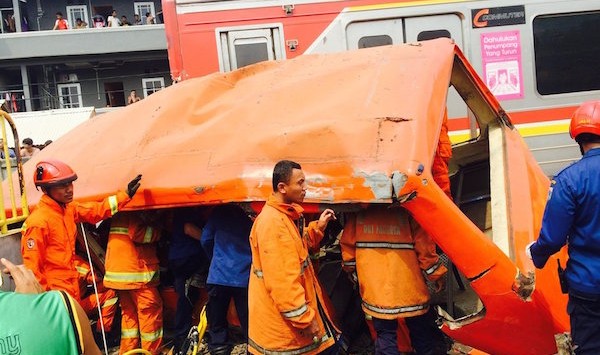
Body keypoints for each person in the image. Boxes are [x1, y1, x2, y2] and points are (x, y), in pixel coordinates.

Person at [527, 100, 600, 354]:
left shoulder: (569, 180)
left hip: (587, 288)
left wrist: (536, 254)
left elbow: (553, 238)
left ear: (579, 140)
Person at [248, 160, 339, 355]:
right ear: (282, 187)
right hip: (286, 334)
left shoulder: (282, 217)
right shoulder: (274, 225)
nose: (305, 188)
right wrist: (305, 319)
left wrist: (317, 228)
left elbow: (295, 247)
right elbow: (283, 282)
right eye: (300, 183)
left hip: (288, 328)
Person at [20, 159, 141, 302]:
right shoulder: (38, 222)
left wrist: (124, 196)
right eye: (62, 186)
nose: (69, 189)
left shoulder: (68, 209)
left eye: (70, 183)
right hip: (54, 294)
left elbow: (95, 211)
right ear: (46, 189)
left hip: (70, 287)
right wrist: (46, 301)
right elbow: (32, 267)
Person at [340, 205, 448, 354]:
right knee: (421, 333)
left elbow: (347, 249)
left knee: (385, 336)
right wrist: (436, 274)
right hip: (409, 288)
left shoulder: (359, 213)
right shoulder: (408, 209)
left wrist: (352, 273)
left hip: (377, 291)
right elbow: (425, 248)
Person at [0, 258, 102, 355]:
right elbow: (34, 264)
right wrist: (37, 303)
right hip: (57, 301)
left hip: (64, 297)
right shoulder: (56, 304)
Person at [104, 211, 164, 354]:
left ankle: (128, 351)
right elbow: (138, 233)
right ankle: (151, 352)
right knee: (149, 313)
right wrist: (159, 232)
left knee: (129, 316)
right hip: (137, 275)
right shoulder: (136, 208)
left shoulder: (120, 210)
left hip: (119, 275)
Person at [201, 204, 253, 354]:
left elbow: (205, 239)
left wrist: (215, 258)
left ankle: (219, 347)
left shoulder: (217, 215)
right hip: (243, 276)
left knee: (217, 315)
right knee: (247, 315)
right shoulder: (247, 220)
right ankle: (252, 346)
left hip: (219, 275)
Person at [168, 207, 208, 350]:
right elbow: (189, 229)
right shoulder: (187, 211)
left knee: (188, 297)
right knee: (185, 299)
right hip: (186, 261)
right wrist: (210, 240)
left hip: (181, 259)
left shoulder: (182, 211)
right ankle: (181, 338)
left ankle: (185, 333)